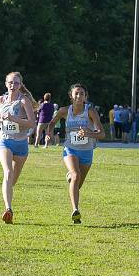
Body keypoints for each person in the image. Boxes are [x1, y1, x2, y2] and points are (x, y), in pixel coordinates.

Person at [46, 84, 104, 224]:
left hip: (87, 152)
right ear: (71, 96)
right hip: (70, 149)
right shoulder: (64, 111)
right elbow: (52, 123)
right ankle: (75, 210)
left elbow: (101, 134)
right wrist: (49, 133)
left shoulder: (90, 112)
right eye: (76, 93)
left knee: (77, 184)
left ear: (86, 97)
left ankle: (71, 178)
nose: (79, 96)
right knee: (76, 175)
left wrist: (88, 133)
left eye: (82, 94)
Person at [0, 72, 36, 224]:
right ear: (6, 84)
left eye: (16, 83)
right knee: (7, 172)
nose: (13, 85)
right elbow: (0, 115)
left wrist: (14, 119)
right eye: (10, 82)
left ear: (20, 85)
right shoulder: (1, 99)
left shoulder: (24, 101)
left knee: (12, 180)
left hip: (21, 144)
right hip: (5, 141)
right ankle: (8, 208)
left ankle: (7, 194)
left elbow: (32, 123)